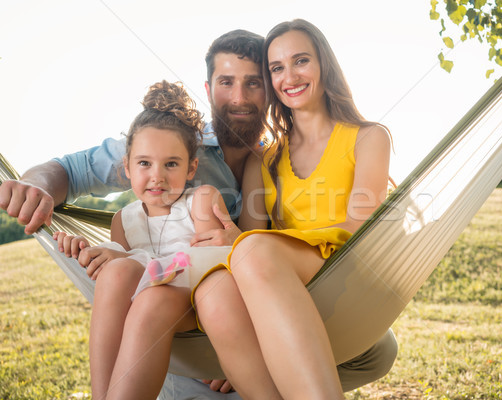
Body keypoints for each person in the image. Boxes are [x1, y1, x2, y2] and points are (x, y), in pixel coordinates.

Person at [0, 29, 398, 399]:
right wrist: (35, 188)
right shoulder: (168, 142)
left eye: (254, 81)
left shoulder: (272, 157)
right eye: (227, 82)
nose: (239, 96)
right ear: (209, 89)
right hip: (192, 355)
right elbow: (70, 171)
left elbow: (251, 245)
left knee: (372, 346)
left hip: (271, 307)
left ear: (271, 91)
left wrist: (234, 331)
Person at [189, 19, 392, 399]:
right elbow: (247, 240)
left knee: (252, 248)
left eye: (301, 61)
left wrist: (256, 242)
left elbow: (355, 230)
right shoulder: (265, 159)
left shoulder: (368, 138)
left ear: (323, 65)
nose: (290, 76)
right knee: (220, 285)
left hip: (345, 276)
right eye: (277, 68)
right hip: (282, 284)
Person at [53, 80, 233, 399]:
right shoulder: (124, 218)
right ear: (127, 167)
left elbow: (215, 268)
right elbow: (123, 282)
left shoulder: (202, 200)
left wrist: (128, 260)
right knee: (117, 271)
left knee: (132, 277)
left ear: (192, 167)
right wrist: (94, 253)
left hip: (194, 305)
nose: (157, 176)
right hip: (148, 312)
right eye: (144, 163)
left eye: (171, 164)